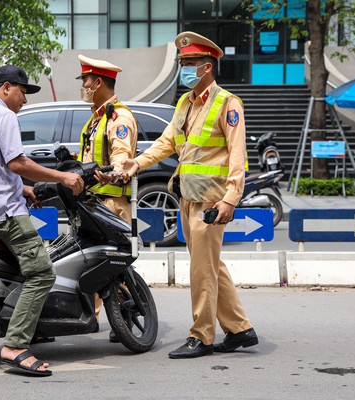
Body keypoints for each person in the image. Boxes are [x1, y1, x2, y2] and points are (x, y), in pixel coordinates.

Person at [122, 32, 258, 359]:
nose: (183, 68)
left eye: (188, 63)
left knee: (201, 270)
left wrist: (230, 199)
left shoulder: (228, 103)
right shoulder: (184, 103)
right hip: (186, 195)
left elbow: (238, 156)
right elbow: (167, 142)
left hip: (211, 201)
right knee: (209, 266)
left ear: (207, 67)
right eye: (182, 62)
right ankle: (240, 330)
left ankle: (202, 336)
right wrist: (136, 162)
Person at [0, 64, 84, 376]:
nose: (24, 100)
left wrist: (24, 189)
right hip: (2, 212)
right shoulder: (3, 116)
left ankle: (30, 325)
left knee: (25, 271)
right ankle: (14, 345)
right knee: (42, 273)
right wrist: (64, 178)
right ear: (5, 88)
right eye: (23, 92)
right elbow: (17, 163)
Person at [75, 54, 138, 342]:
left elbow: (121, 159)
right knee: (91, 264)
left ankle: (124, 317)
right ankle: (94, 318)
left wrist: (112, 172)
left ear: (98, 82)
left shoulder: (118, 118)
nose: (83, 85)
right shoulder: (95, 118)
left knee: (113, 267)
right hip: (93, 205)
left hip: (111, 205)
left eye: (86, 81)